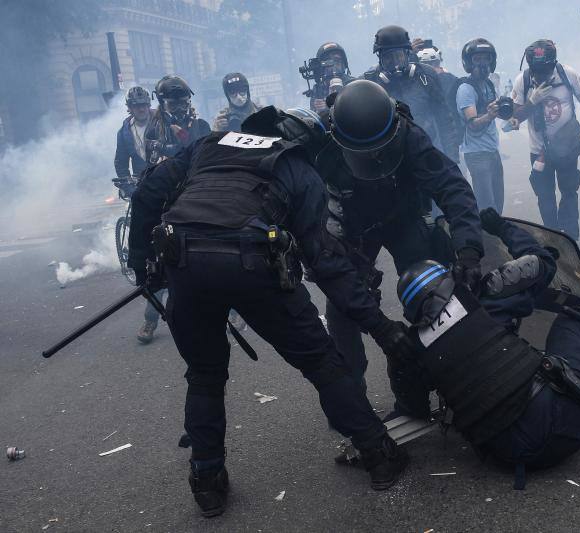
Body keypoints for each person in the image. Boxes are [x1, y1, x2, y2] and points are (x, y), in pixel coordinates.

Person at [128, 106, 412, 517]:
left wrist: (144, 266)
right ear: (307, 143)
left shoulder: (208, 144)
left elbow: (147, 193)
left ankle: (207, 483)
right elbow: (326, 263)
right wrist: (380, 327)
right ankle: (379, 455)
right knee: (321, 361)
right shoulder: (299, 169)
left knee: (204, 375)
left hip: (186, 262)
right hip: (253, 264)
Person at [389, 208, 580, 486]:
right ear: (448, 281)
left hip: (505, 455)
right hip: (568, 421)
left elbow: (414, 408)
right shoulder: (484, 294)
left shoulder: (412, 346)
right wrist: (501, 227)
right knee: (575, 320)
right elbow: (543, 261)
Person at [315, 79, 484, 412]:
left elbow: (453, 187)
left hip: (402, 215)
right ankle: (351, 402)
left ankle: (453, 378)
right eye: (364, 154)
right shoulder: (321, 142)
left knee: (434, 292)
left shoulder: (408, 133)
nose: (373, 159)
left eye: (380, 151)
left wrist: (468, 250)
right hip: (353, 226)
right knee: (342, 307)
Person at [509, 40, 580, 241]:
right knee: (545, 197)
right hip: (539, 150)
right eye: (537, 71)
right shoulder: (523, 80)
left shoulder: (567, 74)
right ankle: (553, 238)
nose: (542, 75)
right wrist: (532, 101)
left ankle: (570, 238)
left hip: (566, 146)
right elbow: (515, 116)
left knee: (569, 192)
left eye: (545, 71)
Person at [364, 26, 460, 161]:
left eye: (398, 56)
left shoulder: (426, 76)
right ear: (380, 58)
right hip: (390, 159)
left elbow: (445, 120)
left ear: (407, 54)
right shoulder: (370, 83)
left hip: (428, 152)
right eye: (388, 57)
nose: (395, 62)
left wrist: (452, 158)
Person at [113, 86, 163, 343]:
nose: (141, 109)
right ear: (130, 108)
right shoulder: (124, 131)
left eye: (144, 105)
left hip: (164, 181)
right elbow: (121, 160)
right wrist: (126, 183)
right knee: (149, 254)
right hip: (141, 186)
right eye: (136, 106)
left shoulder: (162, 121)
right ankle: (150, 320)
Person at [455, 38, 505, 213]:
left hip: (492, 150)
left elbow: (493, 111)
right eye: (477, 59)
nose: (483, 63)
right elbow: (473, 124)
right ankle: (487, 232)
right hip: (477, 155)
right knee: (487, 206)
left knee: (498, 202)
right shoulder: (466, 89)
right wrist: (489, 116)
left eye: (486, 58)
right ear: (468, 63)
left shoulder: (489, 84)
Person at [144, 75, 211, 165]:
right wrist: (158, 165)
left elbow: (209, 156)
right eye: (172, 105)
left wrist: (184, 139)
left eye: (183, 104)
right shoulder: (153, 133)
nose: (179, 109)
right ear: (163, 106)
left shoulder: (201, 126)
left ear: (189, 103)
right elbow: (149, 169)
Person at [307, 42, 355, 113]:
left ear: (343, 64)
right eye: (328, 62)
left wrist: (329, 106)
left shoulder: (353, 84)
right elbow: (314, 116)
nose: (333, 67)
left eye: (337, 61)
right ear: (321, 68)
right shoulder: (318, 89)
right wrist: (317, 110)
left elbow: (357, 109)